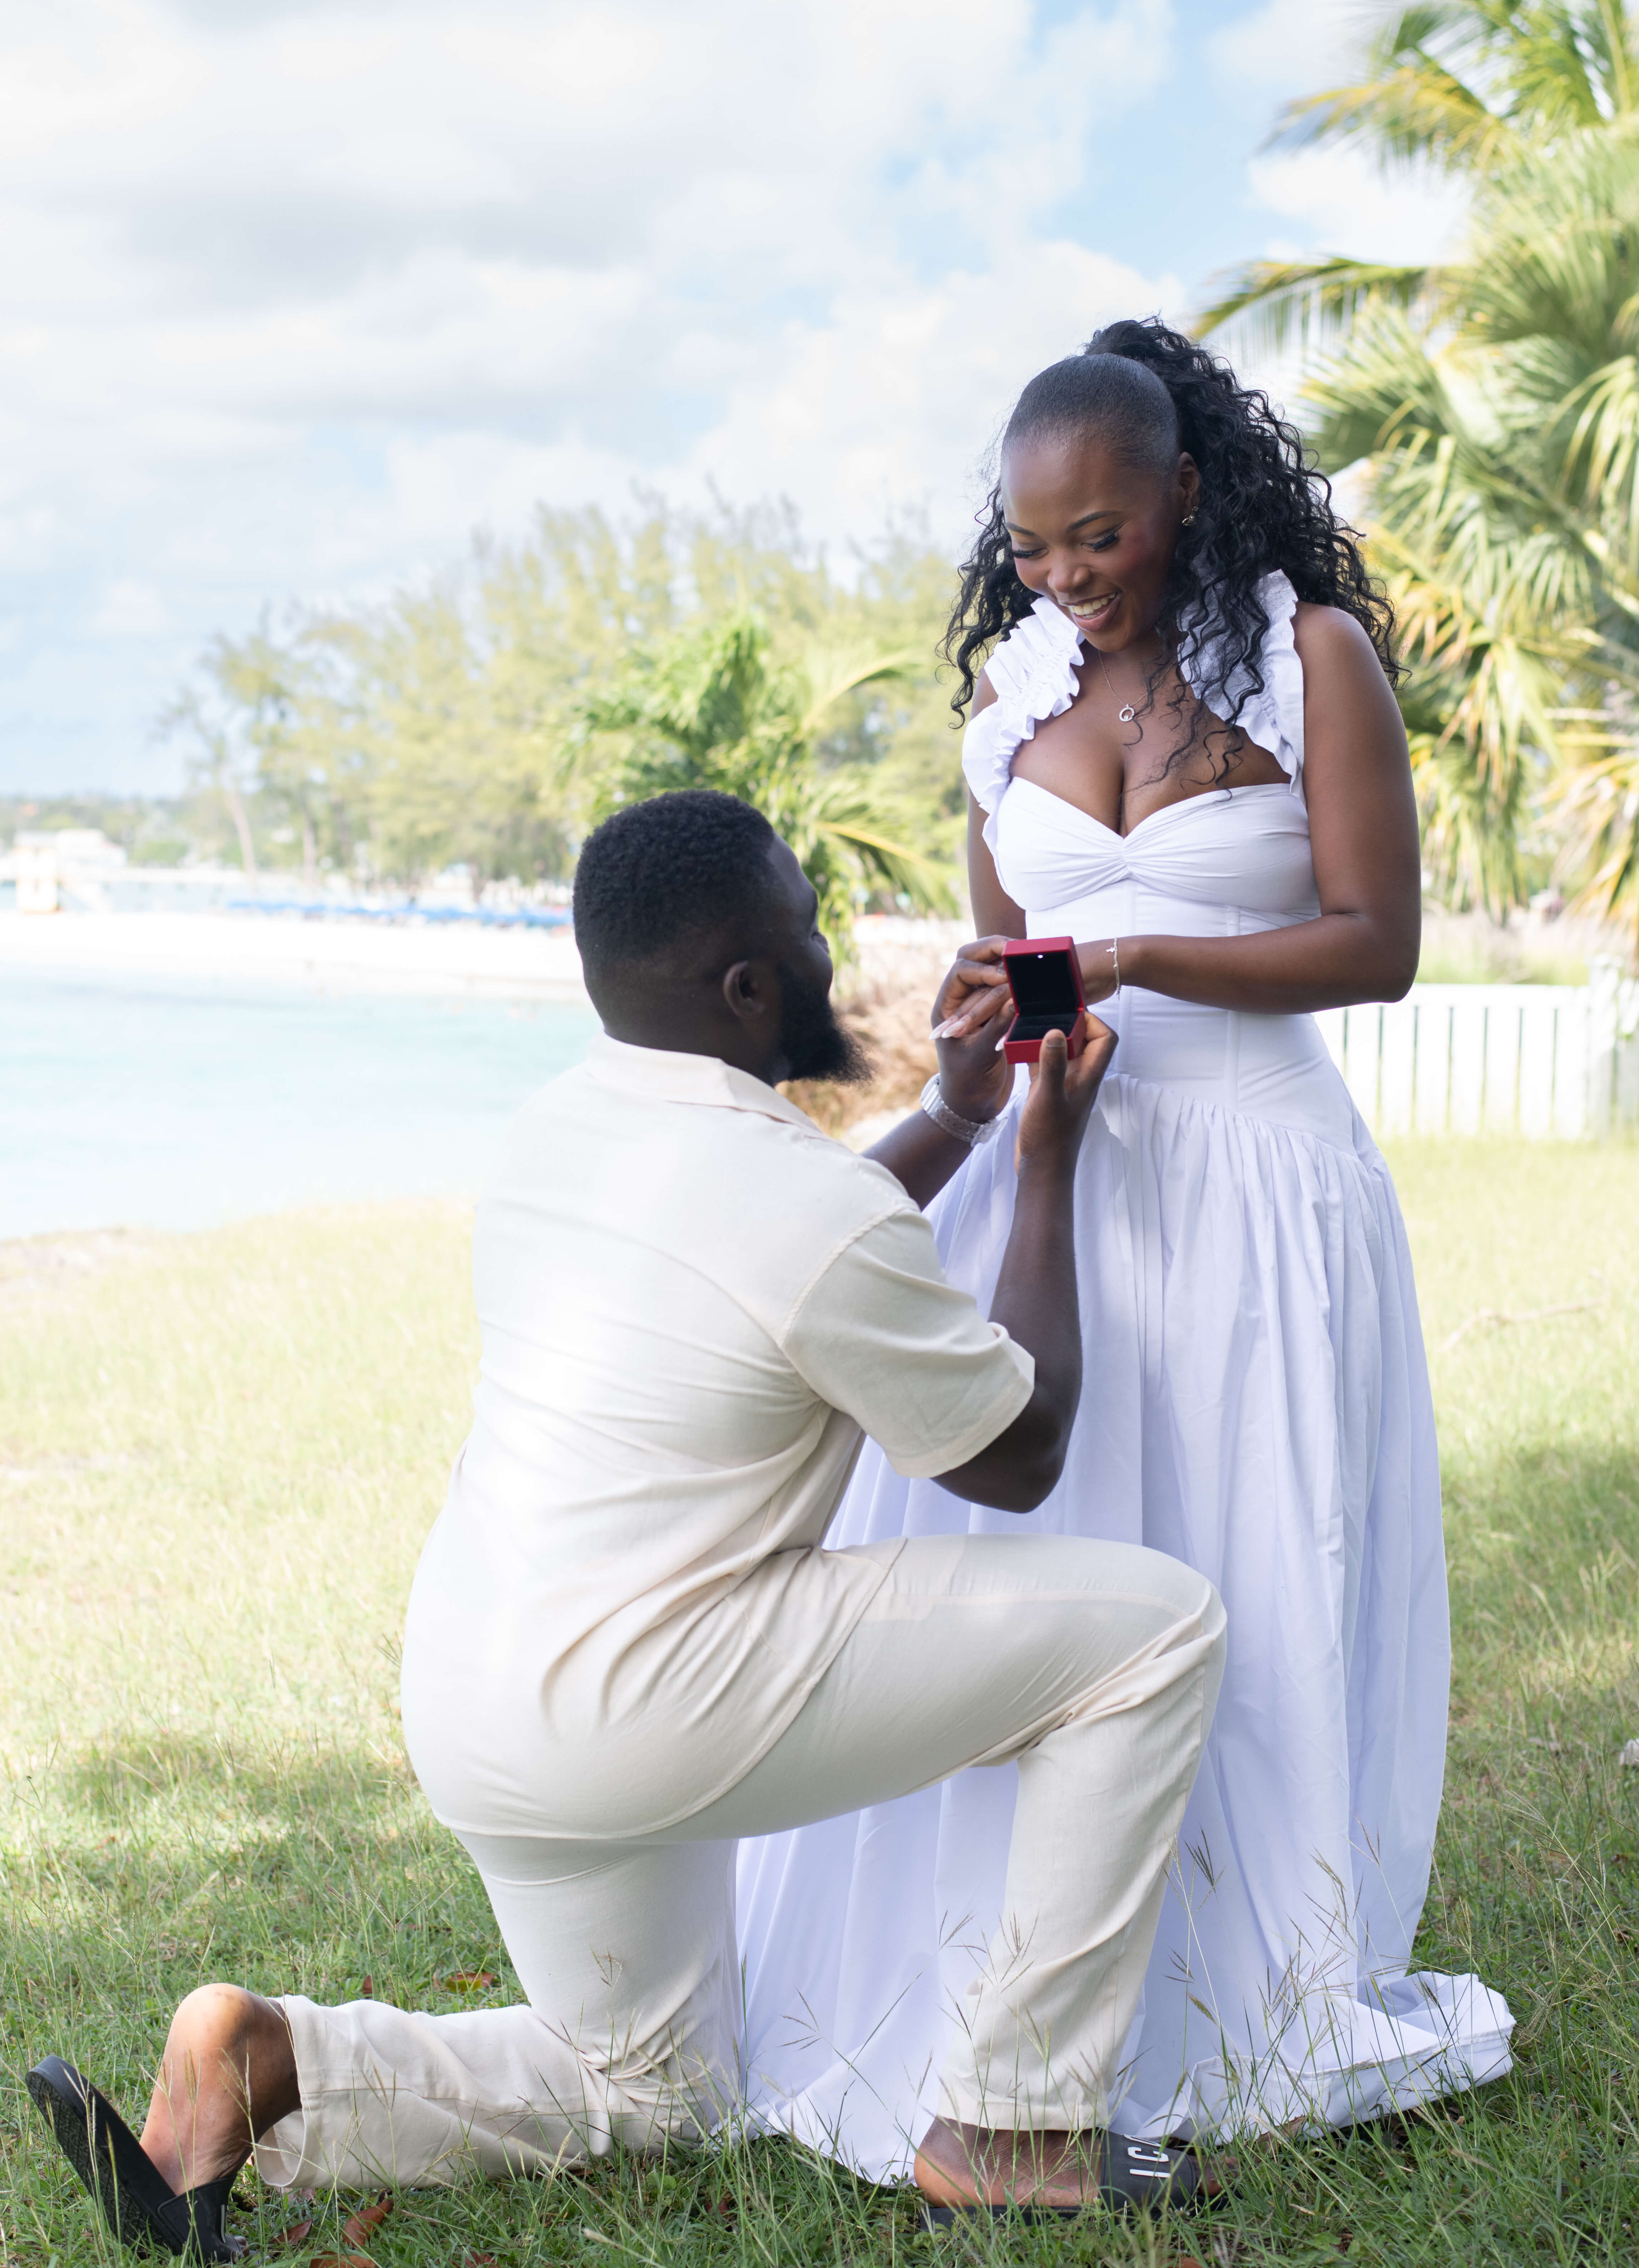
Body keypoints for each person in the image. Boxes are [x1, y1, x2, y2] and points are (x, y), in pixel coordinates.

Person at [29, 789, 1228, 2262]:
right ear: (747, 985)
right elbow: (1020, 1445)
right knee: (1153, 1627)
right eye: (805, 924)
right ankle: (1013, 2117)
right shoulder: (799, 1203)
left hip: (482, 1693)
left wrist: (958, 1113)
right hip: (641, 1701)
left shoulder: (555, 1125)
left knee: (656, 2089)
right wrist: (1045, 1153)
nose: (826, 946)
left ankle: (272, 2062)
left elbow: (784, 1257)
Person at [737, 322, 1514, 2173]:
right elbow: (1010, 958)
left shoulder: (1306, 653)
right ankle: (982, 2009)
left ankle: (1230, 1991)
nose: (1069, 575)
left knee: (1245, 1563)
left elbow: (1374, 943)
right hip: (1060, 1175)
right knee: (1049, 1574)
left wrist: (1136, 960)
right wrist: (988, 1017)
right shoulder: (1003, 705)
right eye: (1034, 544)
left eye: (1100, 532)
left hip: (1255, 1179)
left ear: (1180, 491)